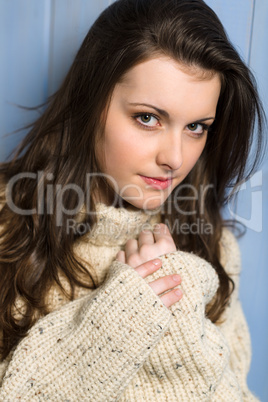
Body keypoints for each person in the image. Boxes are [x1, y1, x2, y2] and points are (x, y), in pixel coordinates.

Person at [0, 0, 265, 400]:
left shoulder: (210, 249)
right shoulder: (7, 221)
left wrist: (180, 324)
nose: (174, 158)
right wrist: (112, 326)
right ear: (91, 101)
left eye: (196, 127)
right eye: (148, 117)